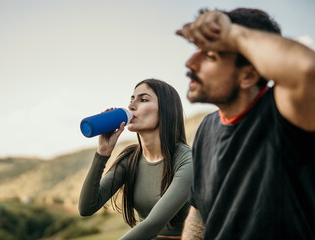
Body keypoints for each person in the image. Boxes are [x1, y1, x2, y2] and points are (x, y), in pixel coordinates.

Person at [176, 8, 315, 239]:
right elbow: (199, 212)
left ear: (248, 76)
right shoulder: (206, 128)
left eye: (211, 56)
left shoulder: (285, 115)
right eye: (197, 51)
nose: (190, 63)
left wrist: (233, 34)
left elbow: (306, 69)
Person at [78, 79, 193, 239]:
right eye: (132, 99)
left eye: (143, 99)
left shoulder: (187, 160)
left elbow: (153, 224)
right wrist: (102, 153)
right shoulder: (130, 158)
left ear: (166, 110)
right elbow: (86, 207)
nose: (131, 106)